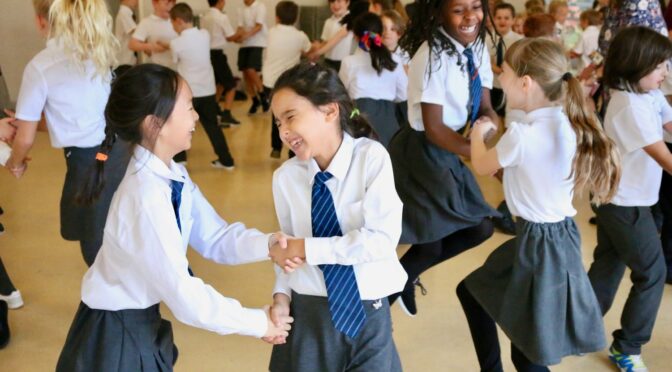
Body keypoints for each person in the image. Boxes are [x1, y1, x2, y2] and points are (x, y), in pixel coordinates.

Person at [55, 64, 292, 372]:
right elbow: (185, 295)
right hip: (116, 333)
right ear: (156, 124)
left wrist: (269, 244)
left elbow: (215, 237)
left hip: (135, 322)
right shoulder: (146, 196)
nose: (196, 117)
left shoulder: (172, 174)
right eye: (190, 107)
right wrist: (258, 323)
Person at [458, 37, 621, 371]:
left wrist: (479, 132)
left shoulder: (523, 134)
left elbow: (482, 165)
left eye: (502, 71)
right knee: (473, 293)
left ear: (526, 83)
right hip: (552, 238)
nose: (498, 76)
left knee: (528, 351)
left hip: (540, 244)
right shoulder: (566, 122)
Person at [266, 62, 405, 372]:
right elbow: (290, 252)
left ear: (329, 111)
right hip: (308, 313)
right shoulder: (286, 177)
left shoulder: (371, 159)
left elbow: (381, 241)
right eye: (277, 123)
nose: (283, 131)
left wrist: (308, 248)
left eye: (290, 117)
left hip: (367, 313)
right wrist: (281, 297)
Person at [386, 0, 499, 316]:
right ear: (438, 13)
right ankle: (393, 285)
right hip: (422, 149)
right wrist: (481, 154)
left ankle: (400, 279)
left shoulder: (476, 46)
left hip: (451, 146)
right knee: (436, 238)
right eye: (458, 9)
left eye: (475, 6)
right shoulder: (431, 56)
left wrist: (488, 127)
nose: (469, 16)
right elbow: (434, 128)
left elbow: (487, 106)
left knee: (480, 228)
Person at [8, 0, 129, 267]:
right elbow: (72, 117)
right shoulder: (97, 52)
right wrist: (24, 123)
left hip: (87, 161)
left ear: (41, 21)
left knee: (94, 240)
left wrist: (14, 163)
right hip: (119, 150)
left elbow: (26, 139)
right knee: (118, 226)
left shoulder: (40, 67)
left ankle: (117, 303)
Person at [588, 26, 672, 372]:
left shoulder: (648, 95)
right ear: (636, 66)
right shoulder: (628, 107)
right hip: (623, 204)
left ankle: (575, 328)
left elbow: (670, 125)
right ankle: (627, 346)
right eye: (660, 67)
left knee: (607, 268)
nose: (665, 73)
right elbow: (666, 158)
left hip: (624, 199)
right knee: (652, 273)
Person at [165, 3, 235, 170]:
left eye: (172, 22)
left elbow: (174, 61)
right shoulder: (204, 35)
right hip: (208, 90)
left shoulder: (176, 43)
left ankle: (180, 160)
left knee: (179, 126)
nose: (172, 26)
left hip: (187, 94)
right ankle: (227, 161)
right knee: (213, 127)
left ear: (179, 21)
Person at [339, 12, 407, 147]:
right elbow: (403, 94)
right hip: (389, 123)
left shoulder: (349, 62)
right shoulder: (394, 61)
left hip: (359, 121)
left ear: (355, 36)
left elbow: (341, 94)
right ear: (380, 34)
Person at [262, 0, 313, 159]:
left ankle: (275, 148)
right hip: (290, 84)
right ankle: (293, 150)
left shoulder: (270, 32)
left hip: (270, 81)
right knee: (292, 117)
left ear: (277, 17)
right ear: (296, 18)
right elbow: (309, 51)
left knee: (276, 117)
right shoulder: (300, 36)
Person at [200, 0, 241, 126]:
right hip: (217, 54)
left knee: (218, 84)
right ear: (220, 2)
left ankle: (213, 110)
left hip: (206, 54)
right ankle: (226, 114)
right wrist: (242, 33)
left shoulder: (204, 17)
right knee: (231, 85)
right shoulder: (221, 17)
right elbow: (230, 36)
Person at [236, 0, 269, 114]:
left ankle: (263, 95)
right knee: (245, 73)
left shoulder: (260, 6)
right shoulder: (240, 8)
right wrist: (236, 36)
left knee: (251, 69)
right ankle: (255, 100)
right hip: (245, 44)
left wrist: (245, 36)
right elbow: (240, 27)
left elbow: (258, 26)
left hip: (257, 42)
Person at [129, 0, 177, 69]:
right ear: (155, 3)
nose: (171, 6)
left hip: (177, 69)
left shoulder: (178, 20)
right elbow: (132, 44)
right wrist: (151, 47)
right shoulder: (146, 22)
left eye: (173, 3)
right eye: (167, 3)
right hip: (157, 69)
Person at [114, 0, 138, 68]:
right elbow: (136, 32)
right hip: (124, 61)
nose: (137, 2)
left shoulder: (126, 13)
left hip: (126, 60)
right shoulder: (124, 13)